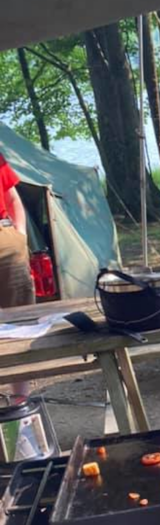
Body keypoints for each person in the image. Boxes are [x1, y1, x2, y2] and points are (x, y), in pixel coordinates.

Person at [0, 152, 35, 400]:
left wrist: (20, 233)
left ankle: (20, 402)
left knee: (20, 320)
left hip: (5, 240)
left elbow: (12, 197)